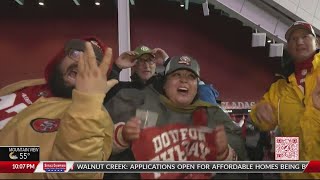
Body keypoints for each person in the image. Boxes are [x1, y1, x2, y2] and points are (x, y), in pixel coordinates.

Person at [105, 55, 248, 179]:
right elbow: (95, 147)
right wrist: (121, 137)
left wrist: (225, 155)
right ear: (165, 83)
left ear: (197, 86)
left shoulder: (213, 114)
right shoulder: (140, 102)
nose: (184, 81)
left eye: (191, 77)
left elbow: (244, 167)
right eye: (177, 75)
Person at [0, 37, 118, 179]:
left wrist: (87, 102)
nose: (82, 64)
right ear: (61, 57)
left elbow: (74, 173)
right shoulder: (25, 86)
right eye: (77, 53)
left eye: (94, 64)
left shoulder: (95, 117)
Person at [250, 21, 320, 179]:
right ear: (288, 47)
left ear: (317, 42)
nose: (299, 42)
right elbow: (264, 119)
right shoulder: (280, 85)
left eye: (304, 36)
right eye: (293, 39)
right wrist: (259, 113)